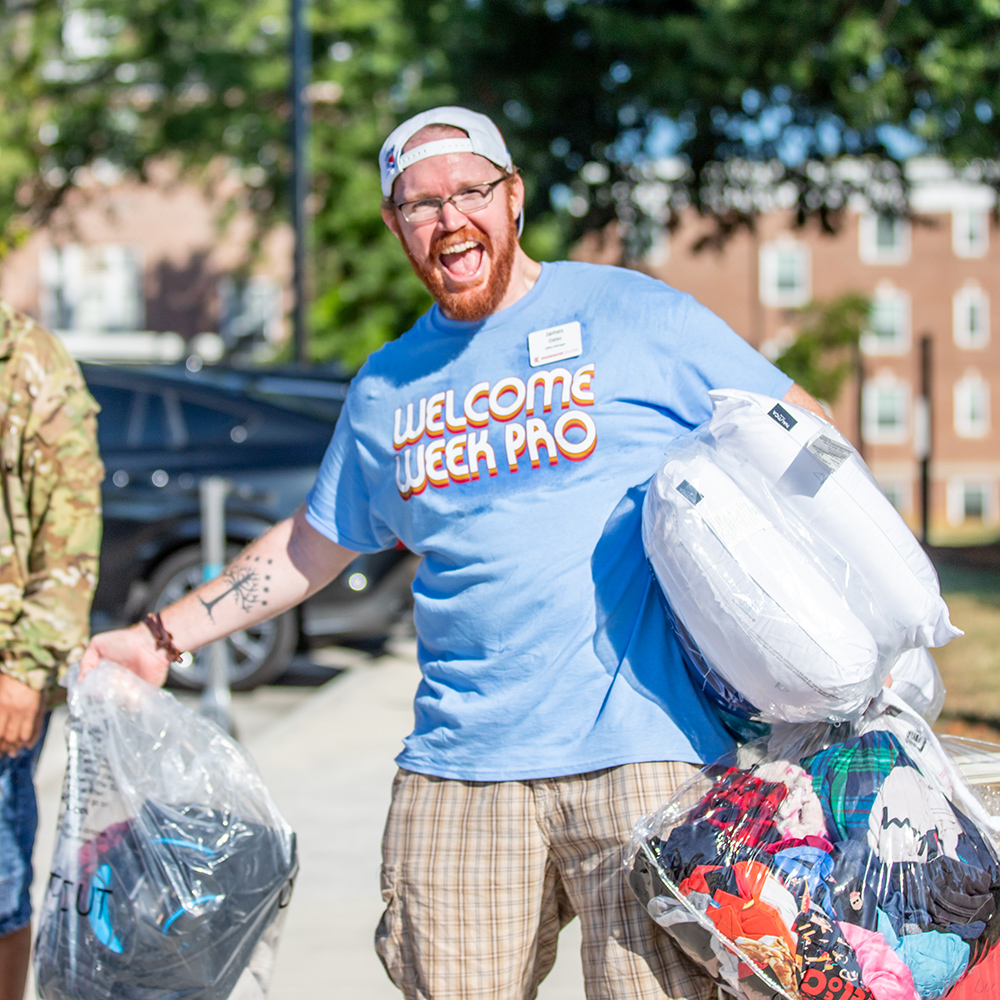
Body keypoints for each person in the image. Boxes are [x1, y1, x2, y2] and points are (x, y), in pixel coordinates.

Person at [82, 107, 829, 999]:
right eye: (419, 206)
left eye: (468, 192)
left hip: (653, 758)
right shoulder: (387, 386)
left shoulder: (633, 313)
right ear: (399, 227)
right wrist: (159, 638)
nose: (447, 220)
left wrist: (848, 623)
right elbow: (313, 544)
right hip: (460, 770)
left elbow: (802, 434)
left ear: (512, 199)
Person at [0, 300, 103, 1000]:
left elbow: (69, 527)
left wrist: (25, 672)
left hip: (3, 669)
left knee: (1, 886)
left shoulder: (29, 362)